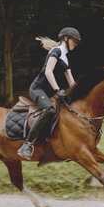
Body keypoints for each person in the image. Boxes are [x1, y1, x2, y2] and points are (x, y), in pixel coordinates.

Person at [17, 27, 81, 159]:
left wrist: (81, 94)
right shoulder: (56, 51)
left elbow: (72, 82)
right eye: (74, 40)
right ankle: (27, 145)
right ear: (66, 39)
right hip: (38, 89)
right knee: (50, 110)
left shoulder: (65, 58)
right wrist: (58, 90)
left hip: (50, 93)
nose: (76, 43)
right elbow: (48, 72)